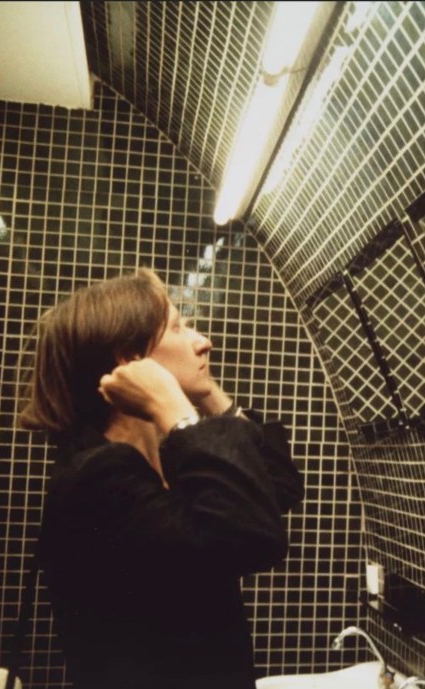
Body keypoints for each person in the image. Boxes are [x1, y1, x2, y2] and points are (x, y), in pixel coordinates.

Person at [18, 268, 304, 689]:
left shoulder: (159, 464)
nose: (203, 341)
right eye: (178, 326)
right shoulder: (96, 479)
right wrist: (176, 410)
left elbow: (277, 485)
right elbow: (253, 537)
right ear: (129, 360)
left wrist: (207, 395)